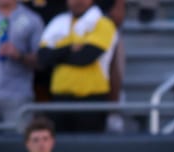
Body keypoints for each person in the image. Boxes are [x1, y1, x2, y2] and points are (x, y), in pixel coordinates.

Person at [38, 0, 118, 132]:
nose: (78, 1)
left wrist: (57, 54)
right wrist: (70, 48)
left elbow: (85, 57)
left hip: (91, 100)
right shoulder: (58, 23)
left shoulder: (103, 23)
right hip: (61, 98)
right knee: (61, 149)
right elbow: (43, 57)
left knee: (89, 149)